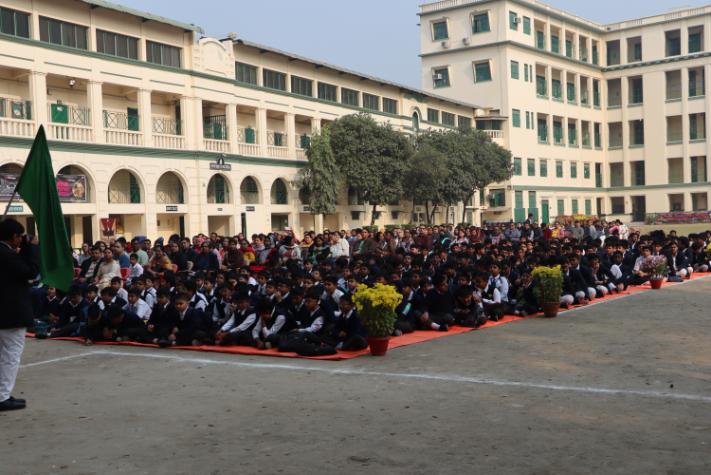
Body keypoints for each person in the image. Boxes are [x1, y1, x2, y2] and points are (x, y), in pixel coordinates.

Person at [0, 219, 40, 411]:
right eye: (20, 237)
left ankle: (2, 394)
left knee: (3, 355)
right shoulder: (7, 255)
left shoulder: (6, 253)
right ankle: (2, 396)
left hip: (5, 314)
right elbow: (30, 271)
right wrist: (30, 248)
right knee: (10, 356)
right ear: (14, 236)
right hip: (10, 314)